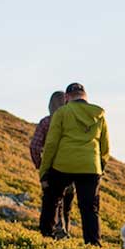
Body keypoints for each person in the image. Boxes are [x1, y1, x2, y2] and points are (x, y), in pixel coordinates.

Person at [39, 82, 110, 246]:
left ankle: (45, 238)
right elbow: (105, 147)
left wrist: (44, 171)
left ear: (66, 97)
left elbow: (51, 144)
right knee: (90, 209)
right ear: (85, 97)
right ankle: (93, 247)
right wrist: (100, 167)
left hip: (63, 164)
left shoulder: (62, 112)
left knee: (52, 199)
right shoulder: (98, 115)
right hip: (90, 167)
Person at [29, 90, 75, 239]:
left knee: (51, 203)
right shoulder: (73, 122)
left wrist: (41, 166)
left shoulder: (46, 122)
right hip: (72, 169)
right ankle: (65, 232)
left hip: (52, 169)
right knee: (66, 206)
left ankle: (51, 234)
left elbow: (35, 147)